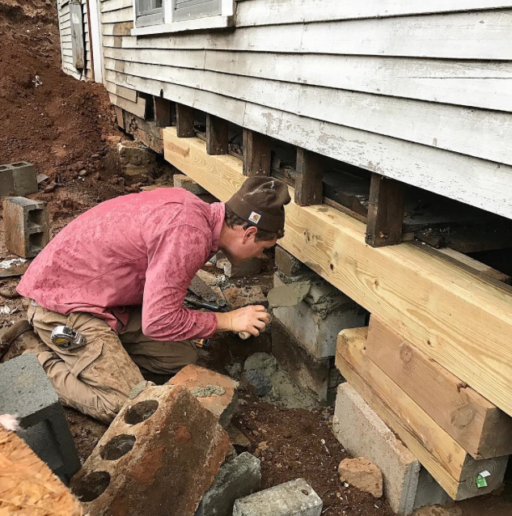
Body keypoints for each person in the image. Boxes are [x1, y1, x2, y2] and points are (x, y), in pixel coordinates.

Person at [16, 177, 291, 423]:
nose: (260, 257)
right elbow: (160, 321)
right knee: (129, 406)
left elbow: (161, 307)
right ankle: (37, 363)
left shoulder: (196, 213)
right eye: (264, 249)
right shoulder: (189, 234)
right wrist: (228, 320)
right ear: (249, 233)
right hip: (63, 303)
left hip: (106, 300)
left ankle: (98, 354)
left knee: (182, 356)